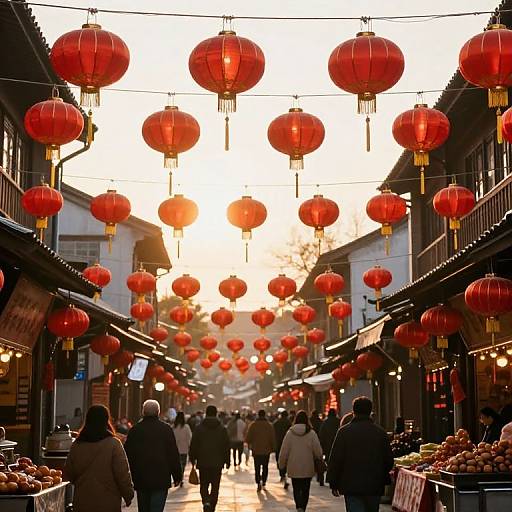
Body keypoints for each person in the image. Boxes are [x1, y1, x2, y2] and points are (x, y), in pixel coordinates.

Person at [327, 397, 393, 512]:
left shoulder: (343, 432)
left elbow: (336, 459)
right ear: (370, 411)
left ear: (354, 411)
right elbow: (388, 460)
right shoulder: (380, 432)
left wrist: (333, 482)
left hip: (351, 484)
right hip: (374, 484)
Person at [64, 405, 134, 512]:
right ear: (106, 420)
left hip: (83, 501)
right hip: (108, 502)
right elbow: (122, 473)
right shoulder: (114, 444)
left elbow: (69, 473)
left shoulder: (77, 445)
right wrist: (128, 495)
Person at [125, 400, 182, 512]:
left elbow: (128, 454)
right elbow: (173, 454)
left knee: (143, 508)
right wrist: (177, 475)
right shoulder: (166, 429)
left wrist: (129, 475)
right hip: (161, 477)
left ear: (143, 412)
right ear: (158, 412)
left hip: (141, 477)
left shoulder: (135, 430)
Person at [278, 410, 323, 512]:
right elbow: (318, 451)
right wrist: (319, 457)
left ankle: (298, 506)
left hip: (294, 467)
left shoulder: (290, 433)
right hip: (308, 466)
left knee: (296, 488)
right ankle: (303, 507)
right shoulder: (311, 433)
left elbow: (284, 451)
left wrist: (281, 464)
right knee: (305, 489)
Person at [189, 405, 230, 512]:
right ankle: (212, 504)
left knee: (204, 484)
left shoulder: (199, 428)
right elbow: (226, 446)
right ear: (216, 413)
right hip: (217, 462)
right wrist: (227, 460)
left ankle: (206, 501)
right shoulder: (222, 429)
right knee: (215, 486)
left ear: (206, 413)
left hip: (203, 462)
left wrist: (192, 458)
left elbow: (194, 445)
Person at [245, 409, 276, 491]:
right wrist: (273, 448)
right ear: (265, 415)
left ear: (258, 415)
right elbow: (272, 438)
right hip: (266, 450)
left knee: (257, 467)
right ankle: (264, 481)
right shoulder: (269, 425)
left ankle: (258, 481)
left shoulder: (253, 425)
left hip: (256, 449)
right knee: (265, 466)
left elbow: (248, 437)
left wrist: (249, 443)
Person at [273, 410, 292, 489]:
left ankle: (282, 474)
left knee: (279, 459)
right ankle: (285, 474)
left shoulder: (276, 423)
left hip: (278, 444)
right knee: (287, 459)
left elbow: (273, 434)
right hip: (287, 444)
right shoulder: (289, 423)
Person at [173, 411, 192, 485]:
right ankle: (181, 478)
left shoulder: (173, 427)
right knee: (182, 465)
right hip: (184, 449)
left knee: (176, 464)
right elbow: (189, 438)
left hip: (175, 449)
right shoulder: (186, 427)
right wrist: (190, 447)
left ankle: (177, 478)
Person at [309, 410, 324, 486]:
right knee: (319, 460)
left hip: (310, 443)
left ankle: (313, 473)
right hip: (319, 441)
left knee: (312, 459)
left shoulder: (309, 422)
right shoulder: (321, 422)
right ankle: (320, 477)